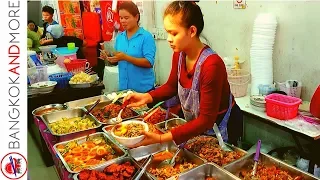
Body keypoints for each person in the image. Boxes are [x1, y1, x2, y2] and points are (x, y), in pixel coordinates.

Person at [124, 1, 243, 147]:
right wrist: (147, 97)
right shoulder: (179, 54)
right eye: (167, 32)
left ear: (192, 31)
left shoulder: (212, 65)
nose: (168, 38)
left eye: (174, 33)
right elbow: (171, 86)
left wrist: (161, 138)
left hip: (221, 127)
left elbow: (206, 120)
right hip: (198, 126)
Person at [102, 1, 156, 93]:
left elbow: (149, 62)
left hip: (143, 91)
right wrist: (109, 58)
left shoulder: (146, 37)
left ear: (136, 17)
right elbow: (119, 60)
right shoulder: (120, 38)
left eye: (126, 18)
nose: (122, 21)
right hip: (124, 90)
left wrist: (126, 57)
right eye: (121, 18)